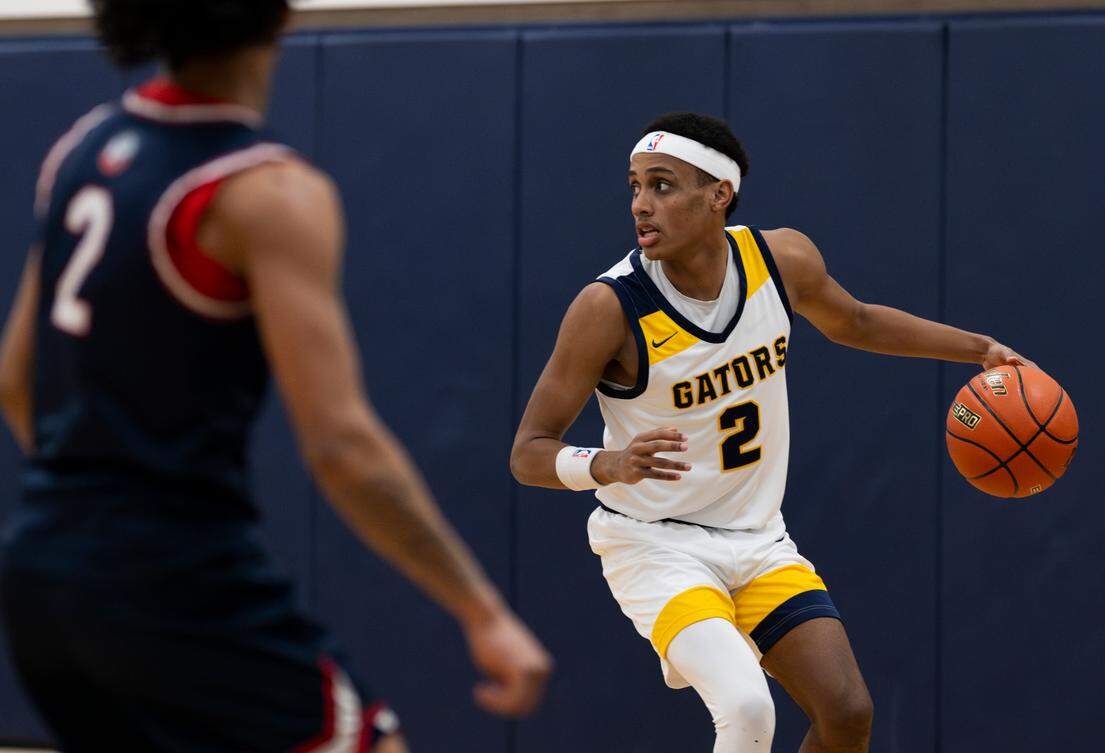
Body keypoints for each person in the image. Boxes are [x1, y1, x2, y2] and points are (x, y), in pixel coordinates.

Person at [0, 1, 550, 751]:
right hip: (174, 576)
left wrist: (87, 528)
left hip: (41, 570)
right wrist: (481, 609)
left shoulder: (79, 148)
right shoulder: (268, 193)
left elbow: (15, 380)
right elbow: (341, 447)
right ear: (278, 15)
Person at [510, 112, 1030, 753]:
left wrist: (980, 349)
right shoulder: (609, 307)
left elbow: (859, 321)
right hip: (655, 546)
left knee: (846, 712)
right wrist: (607, 463)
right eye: (635, 185)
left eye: (663, 185)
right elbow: (528, 453)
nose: (642, 204)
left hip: (757, 540)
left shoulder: (778, 259)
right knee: (748, 708)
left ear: (718, 195)